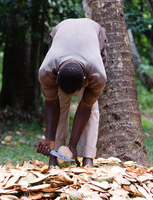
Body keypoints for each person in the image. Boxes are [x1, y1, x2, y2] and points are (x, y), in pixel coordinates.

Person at [35, 18, 107, 167]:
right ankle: (55, 155)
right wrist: (49, 138)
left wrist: (73, 145)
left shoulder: (98, 74)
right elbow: (51, 102)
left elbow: (85, 106)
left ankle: (88, 157)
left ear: (85, 80)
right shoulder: (46, 70)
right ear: (56, 77)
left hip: (93, 33)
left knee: (91, 105)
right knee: (60, 101)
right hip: (61, 30)